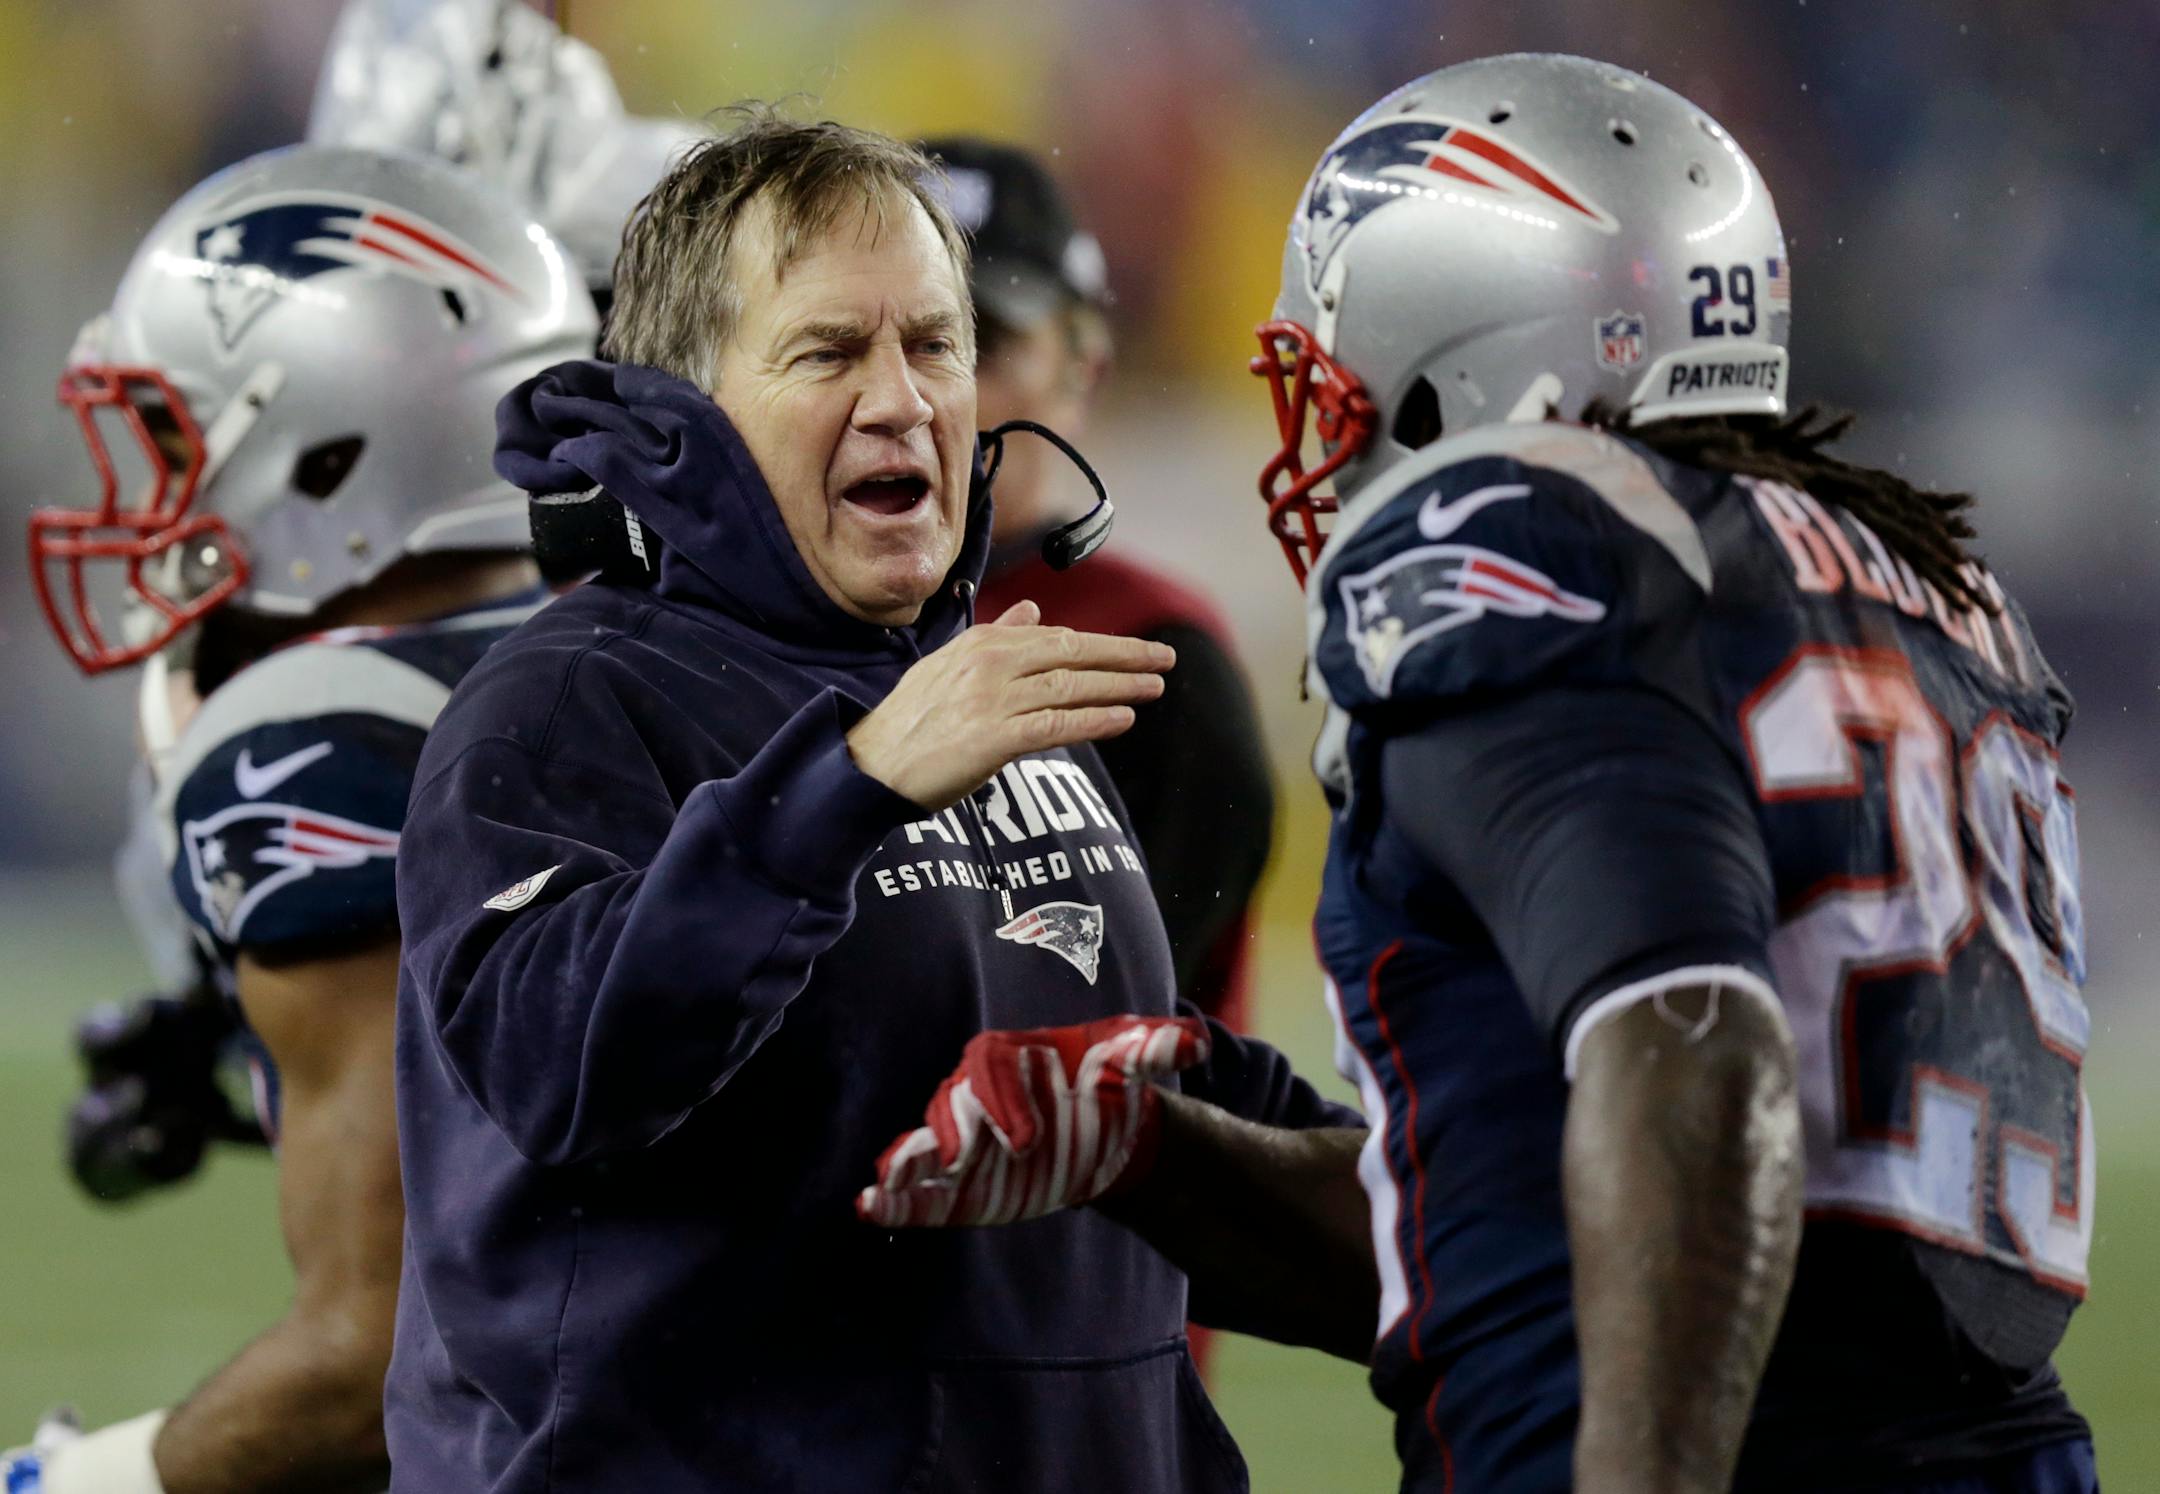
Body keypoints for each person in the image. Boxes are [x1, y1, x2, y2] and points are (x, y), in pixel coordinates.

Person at [864, 53, 2099, 1494]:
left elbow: (1692, 1050)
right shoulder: (1918, 587)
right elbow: (1520, 1242)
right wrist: (1153, 1158)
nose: (1322, 436)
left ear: (1470, 373)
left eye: (1338, 386)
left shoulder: (1521, 540)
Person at [387, 109, 1359, 1494]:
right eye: (830, 352)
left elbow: (1128, 1054)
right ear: (683, 404)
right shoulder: (565, 702)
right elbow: (560, 1062)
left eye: (937, 344)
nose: (903, 399)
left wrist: (1367, 1175)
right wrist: (846, 788)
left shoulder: (987, 697)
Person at [4, 144, 597, 1494]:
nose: (146, 492)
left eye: (171, 433)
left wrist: (76, 1481)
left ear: (330, 444)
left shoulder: (318, 739)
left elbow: (376, 1359)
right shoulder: (648, 636)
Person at [922, 136, 1274, 1028]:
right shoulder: (757, 623)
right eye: (907, 335)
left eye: (980, 341)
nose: (925, 391)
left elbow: (1078, 1048)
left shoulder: (1149, 660)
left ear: (1084, 372)